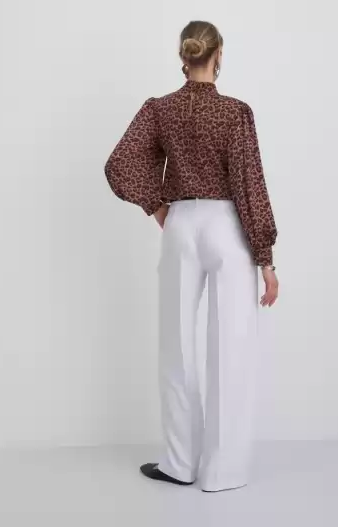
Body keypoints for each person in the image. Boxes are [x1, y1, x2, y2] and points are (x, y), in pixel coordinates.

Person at [104, 20, 278, 492]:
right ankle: (223, 472)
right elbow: (249, 185)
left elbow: (119, 164)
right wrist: (265, 259)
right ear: (217, 54)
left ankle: (180, 463)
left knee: (176, 347)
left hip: (180, 226)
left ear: (184, 56)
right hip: (227, 228)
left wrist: (158, 206)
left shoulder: (160, 109)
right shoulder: (235, 113)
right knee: (232, 346)